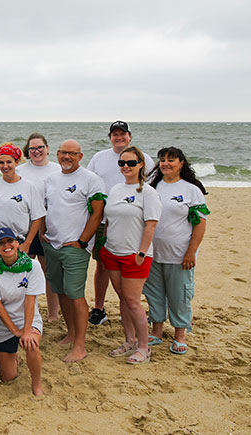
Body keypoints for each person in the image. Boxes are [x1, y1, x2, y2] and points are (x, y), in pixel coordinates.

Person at [85, 121, 156, 327]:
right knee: (102, 265)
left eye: (122, 134)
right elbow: (89, 183)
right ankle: (99, 308)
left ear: (130, 136)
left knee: (137, 266)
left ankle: (141, 309)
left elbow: (153, 185)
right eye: (115, 134)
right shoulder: (100, 158)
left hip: (133, 221)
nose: (119, 137)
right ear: (110, 137)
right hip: (104, 220)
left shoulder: (145, 159)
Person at [41, 140, 106, 362]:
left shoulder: (91, 180)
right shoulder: (50, 179)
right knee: (60, 290)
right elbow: (45, 209)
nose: (67, 157)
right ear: (57, 154)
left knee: (75, 294)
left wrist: (82, 241)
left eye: (72, 153)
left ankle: (80, 345)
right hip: (52, 245)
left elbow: (97, 214)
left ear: (80, 156)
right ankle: (71, 333)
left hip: (75, 247)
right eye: (63, 153)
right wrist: (43, 235)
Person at [145, 147, 209, 356]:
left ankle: (180, 335)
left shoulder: (191, 190)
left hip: (180, 254)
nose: (166, 163)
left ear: (181, 163)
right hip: (153, 253)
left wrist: (191, 252)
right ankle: (156, 332)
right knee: (154, 294)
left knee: (179, 296)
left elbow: (200, 223)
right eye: (162, 160)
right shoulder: (151, 187)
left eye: (171, 160)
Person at [103, 146, 161, 365]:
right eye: (122, 163)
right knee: (122, 298)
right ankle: (129, 340)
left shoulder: (148, 192)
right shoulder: (116, 189)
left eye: (130, 163)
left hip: (135, 255)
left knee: (133, 301)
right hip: (112, 252)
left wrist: (141, 253)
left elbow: (151, 225)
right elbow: (110, 218)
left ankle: (144, 347)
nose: (126, 167)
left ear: (141, 165)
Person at [0, 228, 45, 397]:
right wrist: (14, 331)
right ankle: (13, 356)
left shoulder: (33, 266)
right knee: (8, 377)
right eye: (1, 243)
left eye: (10, 241)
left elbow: (30, 302)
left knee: (31, 343)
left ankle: (37, 385)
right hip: (3, 324)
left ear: (17, 243)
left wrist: (25, 331)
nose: (7, 245)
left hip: (27, 318)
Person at [16, 132, 63, 322]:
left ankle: (53, 314)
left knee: (49, 273)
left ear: (48, 149)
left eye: (40, 147)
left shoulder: (58, 169)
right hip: (25, 227)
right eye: (32, 148)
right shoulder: (20, 170)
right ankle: (26, 311)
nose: (36, 151)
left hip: (50, 228)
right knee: (23, 271)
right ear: (28, 151)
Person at [0, 144, 45, 262]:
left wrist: (27, 243)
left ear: (17, 162)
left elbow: (37, 218)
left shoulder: (29, 187)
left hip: (18, 240)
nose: (5, 166)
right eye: (1, 162)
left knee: (18, 278)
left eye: (9, 162)